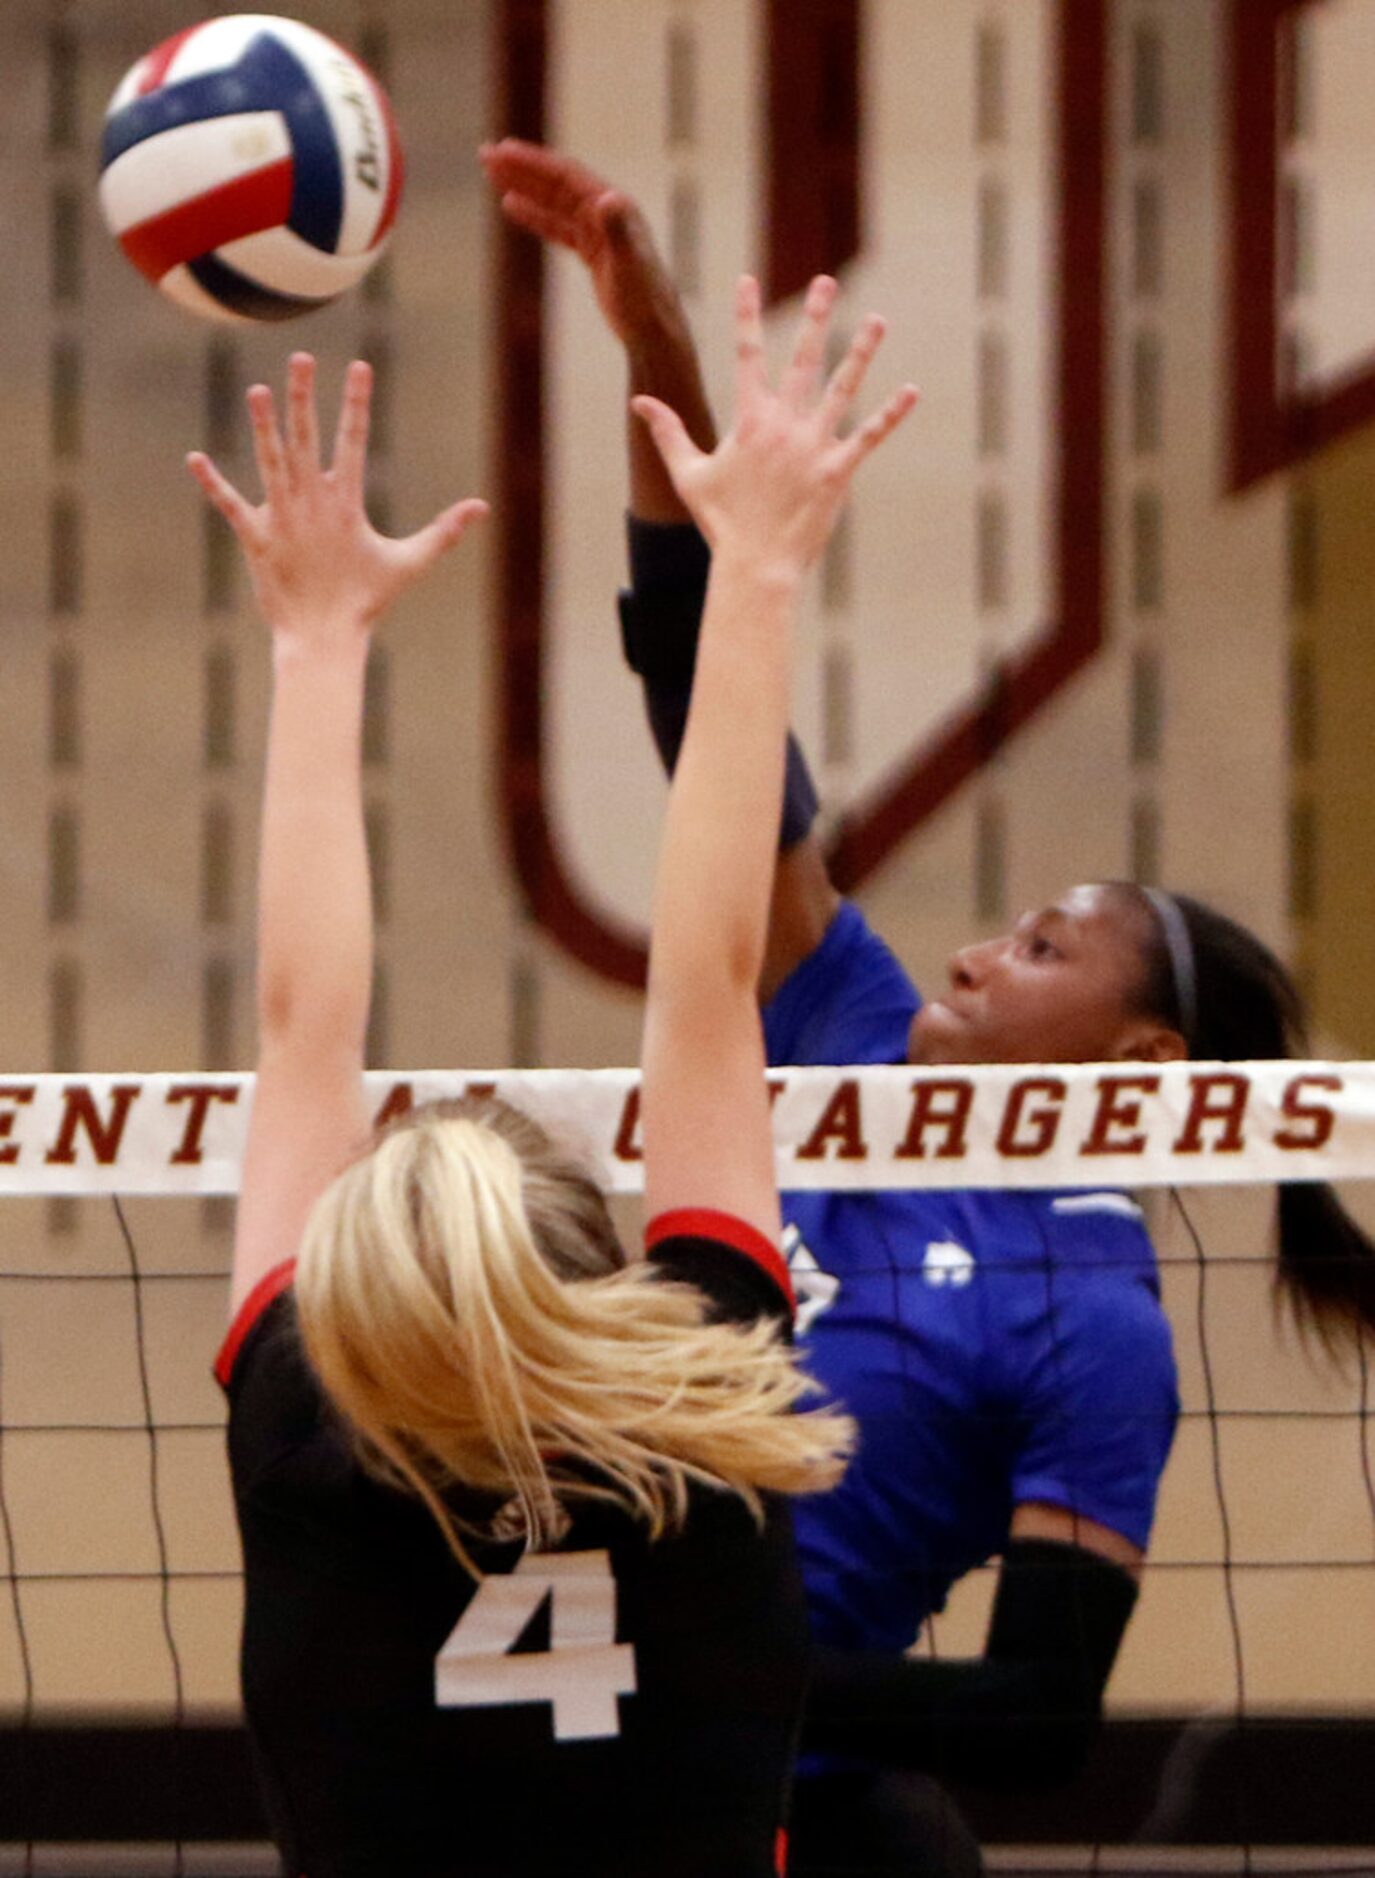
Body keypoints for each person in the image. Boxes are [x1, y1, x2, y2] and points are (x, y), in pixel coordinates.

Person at [481, 139, 1375, 1877]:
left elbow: (1037, 1713)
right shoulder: (854, 1031)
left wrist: (736, 1685)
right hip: (530, 1724)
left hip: (752, 1797)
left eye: (1044, 948)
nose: (980, 951)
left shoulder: (1093, 1319)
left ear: (1143, 1064)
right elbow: (708, 721)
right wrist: (650, 350)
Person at [188, 291, 913, 1877]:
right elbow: (716, 983)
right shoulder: (707, 1413)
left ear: (357, 1298)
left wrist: (316, 642)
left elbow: (306, 1025)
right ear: (602, 1255)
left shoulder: (315, 1436)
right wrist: (766, 573)